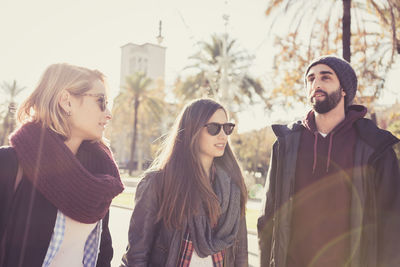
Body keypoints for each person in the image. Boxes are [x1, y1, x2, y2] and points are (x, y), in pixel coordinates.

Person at [257, 55, 400, 267]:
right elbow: (268, 217)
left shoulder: (375, 147)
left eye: (326, 78)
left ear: (344, 89)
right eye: (311, 79)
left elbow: (392, 226)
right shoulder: (286, 144)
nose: (316, 84)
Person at [0, 63, 124, 267]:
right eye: (100, 101)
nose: (108, 113)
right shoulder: (9, 164)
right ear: (66, 102)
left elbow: (103, 253)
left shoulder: (101, 176)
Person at [121, 98, 248, 267]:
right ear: (192, 130)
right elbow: (137, 255)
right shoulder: (159, 183)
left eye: (227, 128)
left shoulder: (234, 188)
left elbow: (240, 256)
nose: (223, 135)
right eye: (214, 128)